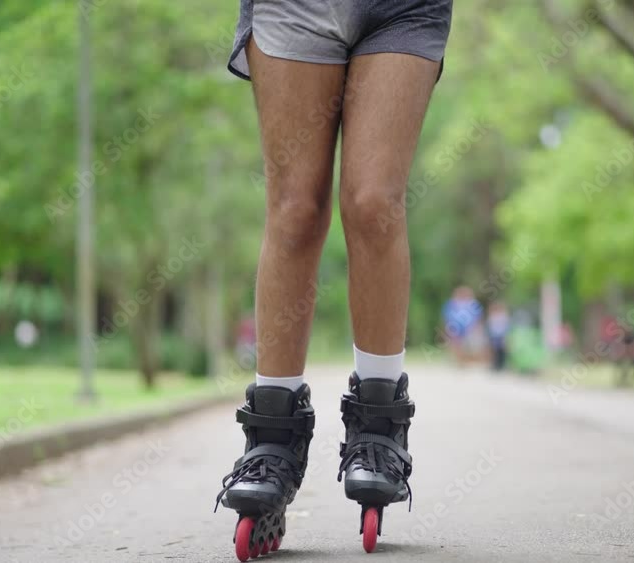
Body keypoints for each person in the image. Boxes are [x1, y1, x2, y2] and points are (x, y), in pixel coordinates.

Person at [214, 2, 453, 559]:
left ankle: (379, 421)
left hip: (404, 10)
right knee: (295, 211)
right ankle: (272, 437)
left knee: (374, 204)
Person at [441, 285, 484, 364]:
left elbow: (478, 318)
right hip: (455, 328)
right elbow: (447, 317)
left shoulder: (473, 304)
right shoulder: (451, 304)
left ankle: (466, 361)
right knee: (456, 345)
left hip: (470, 328)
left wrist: (477, 329)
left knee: (469, 347)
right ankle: (459, 361)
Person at [487, 301, 510, 371]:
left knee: (501, 351)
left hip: (501, 335)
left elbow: (506, 327)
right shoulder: (492, 316)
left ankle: (501, 365)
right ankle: (495, 365)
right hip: (494, 336)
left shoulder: (503, 316)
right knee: (495, 351)